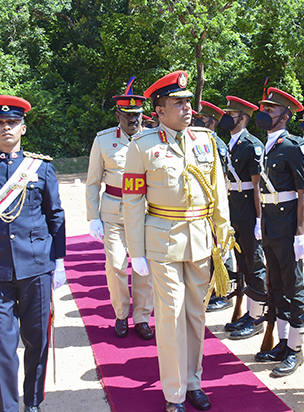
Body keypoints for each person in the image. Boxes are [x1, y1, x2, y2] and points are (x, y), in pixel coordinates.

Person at [122, 70, 231, 412]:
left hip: (199, 239)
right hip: (162, 241)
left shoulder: (205, 140)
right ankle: (174, 393)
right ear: (159, 110)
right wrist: (135, 251)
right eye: (177, 103)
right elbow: (132, 202)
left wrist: (223, 233)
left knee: (195, 315)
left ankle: (194, 381)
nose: (186, 108)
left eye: (187, 102)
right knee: (170, 316)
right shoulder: (143, 146)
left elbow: (219, 192)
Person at [0, 95, 66, 412]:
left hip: (36, 265)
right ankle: (7, 406)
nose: (6, 127)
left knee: (37, 340)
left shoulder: (41, 168)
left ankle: (32, 401)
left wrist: (58, 262)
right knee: (2, 343)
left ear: (23, 128)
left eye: (12, 122)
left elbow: (56, 216)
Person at [85, 87, 154, 340]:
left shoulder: (152, 139)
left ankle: (143, 317)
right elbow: (93, 181)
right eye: (127, 115)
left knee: (143, 267)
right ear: (117, 115)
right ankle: (121, 314)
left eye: (137, 113)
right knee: (116, 265)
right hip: (114, 211)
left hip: (145, 212)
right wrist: (93, 216)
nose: (133, 119)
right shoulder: (103, 140)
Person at [253, 87, 304, 378]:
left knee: (293, 286)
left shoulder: (294, 145)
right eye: (264, 109)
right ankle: (284, 342)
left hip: (288, 226)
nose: (264, 114)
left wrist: (301, 233)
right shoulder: (267, 145)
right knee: (276, 287)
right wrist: (259, 221)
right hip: (270, 225)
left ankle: (296, 350)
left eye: (271, 110)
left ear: (285, 115)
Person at [218, 95, 268, 340]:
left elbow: (257, 187)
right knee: (242, 263)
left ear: (244, 118)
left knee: (254, 264)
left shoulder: (252, 145)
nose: (226, 117)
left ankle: (257, 316)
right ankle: (248, 312)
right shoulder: (232, 143)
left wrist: (259, 219)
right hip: (235, 211)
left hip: (249, 212)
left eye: (232, 114)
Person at [195, 100, 233, 313]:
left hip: (217, 204)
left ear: (212, 121)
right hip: (205, 207)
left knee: (222, 248)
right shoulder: (201, 141)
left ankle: (223, 293)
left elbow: (222, 179)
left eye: (201, 118)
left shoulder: (215, 143)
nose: (196, 120)